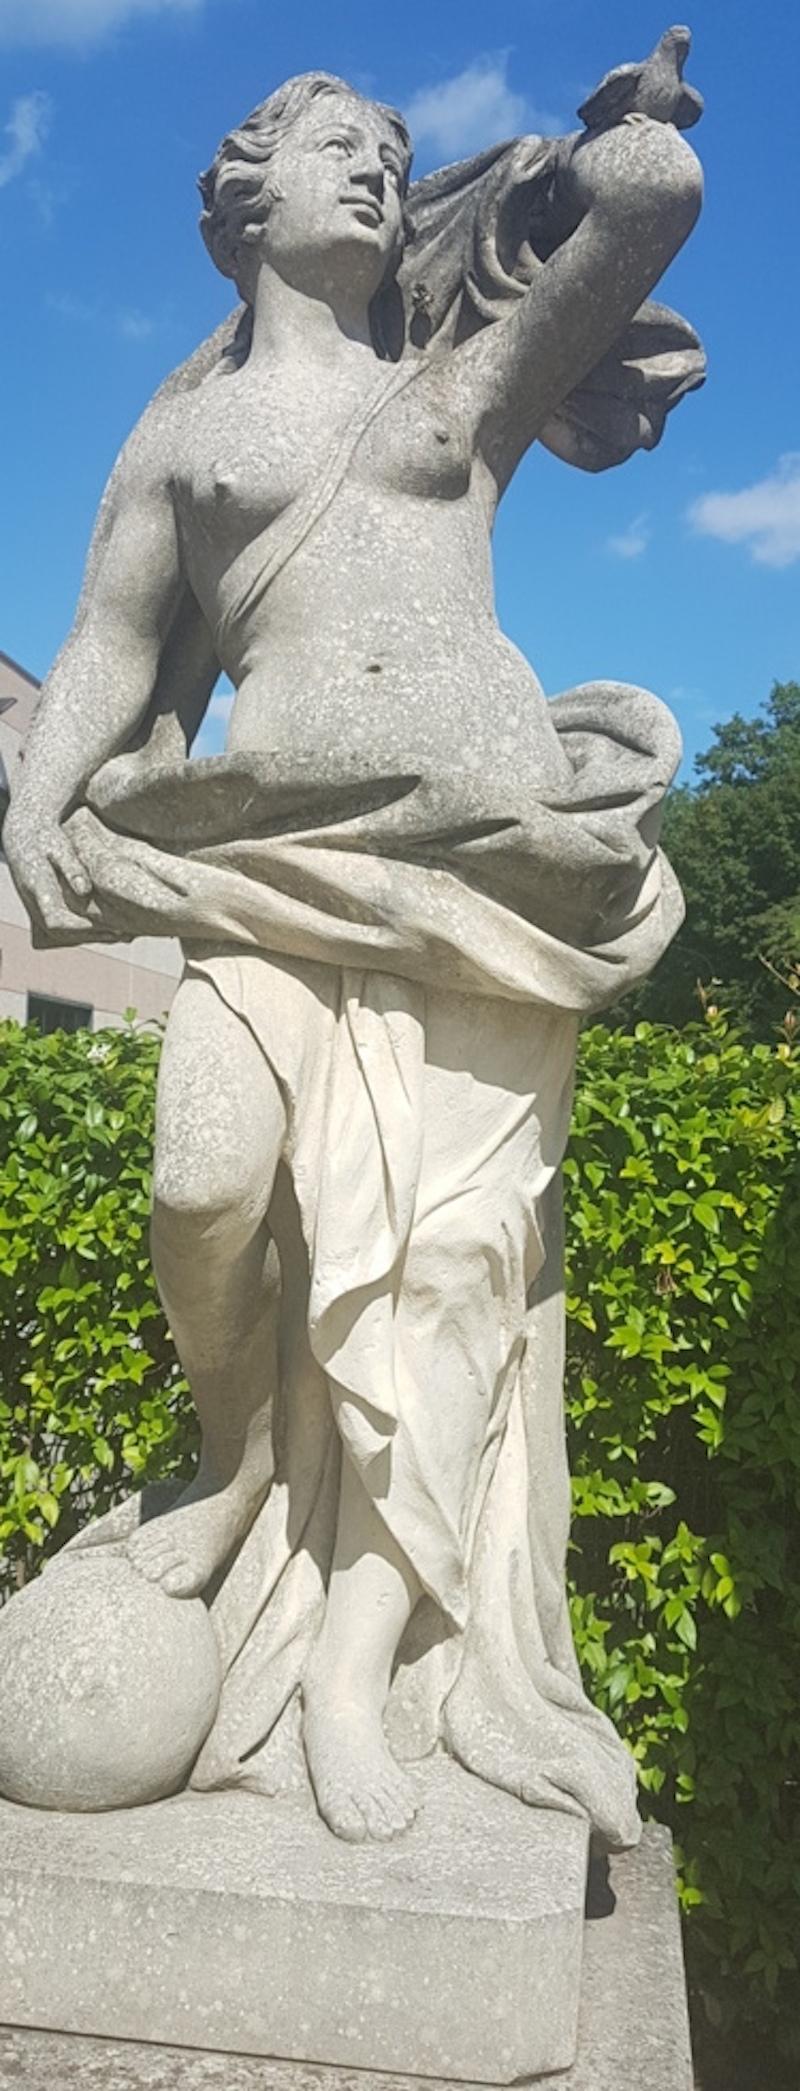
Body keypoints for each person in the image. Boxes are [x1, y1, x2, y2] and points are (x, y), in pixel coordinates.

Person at [3, 57, 703, 1844]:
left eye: (398, 159)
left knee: (452, 1278)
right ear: (247, 197)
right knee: (203, 1183)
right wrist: (38, 800)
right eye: (341, 152)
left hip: (487, 883)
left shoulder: (453, 381)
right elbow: (103, 643)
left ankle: (352, 1670)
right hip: (273, 864)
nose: (380, 178)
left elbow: (641, 224)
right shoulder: (186, 439)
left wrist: (625, 148)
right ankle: (242, 1469)